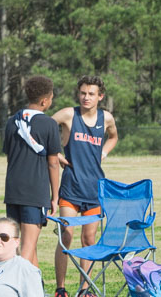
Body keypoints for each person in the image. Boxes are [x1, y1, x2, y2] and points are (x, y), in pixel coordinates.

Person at [51, 76, 118, 297]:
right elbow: (43, 129)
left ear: (100, 96)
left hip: (94, 189)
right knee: (66, 235)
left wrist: (104, 153)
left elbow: (113, 137)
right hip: (71, 187)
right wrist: (56, 154)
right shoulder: (69, 115)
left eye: (91, 94)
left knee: (89, 240)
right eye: (82, 93)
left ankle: (85, 290)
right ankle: (60, 289)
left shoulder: (106, 118)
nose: (86, 97)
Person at [2, 75, 61, 267]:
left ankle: (36, 288)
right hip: (34, 193)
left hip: (13, 191)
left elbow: (9, 157)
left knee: (24, 246)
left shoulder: (12, 121)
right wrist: (55, 196)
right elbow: (53, 163)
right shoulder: (49, 124)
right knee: (26, 249)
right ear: (45, 100)